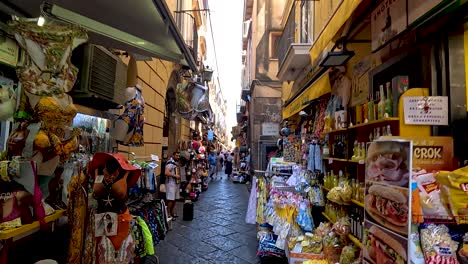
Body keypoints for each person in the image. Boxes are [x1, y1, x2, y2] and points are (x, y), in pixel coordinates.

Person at [165, 152, 181, 218]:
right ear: (173, 155)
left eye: (178, 156)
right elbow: (166, 172)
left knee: (175, 199)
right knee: (170, 199)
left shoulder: (175, 163)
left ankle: (172, 212)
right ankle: (168, 213)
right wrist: (175, 176)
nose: (178, 157)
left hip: (176, 183)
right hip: (171, 183)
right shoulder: (170, 163)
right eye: (176, 156)